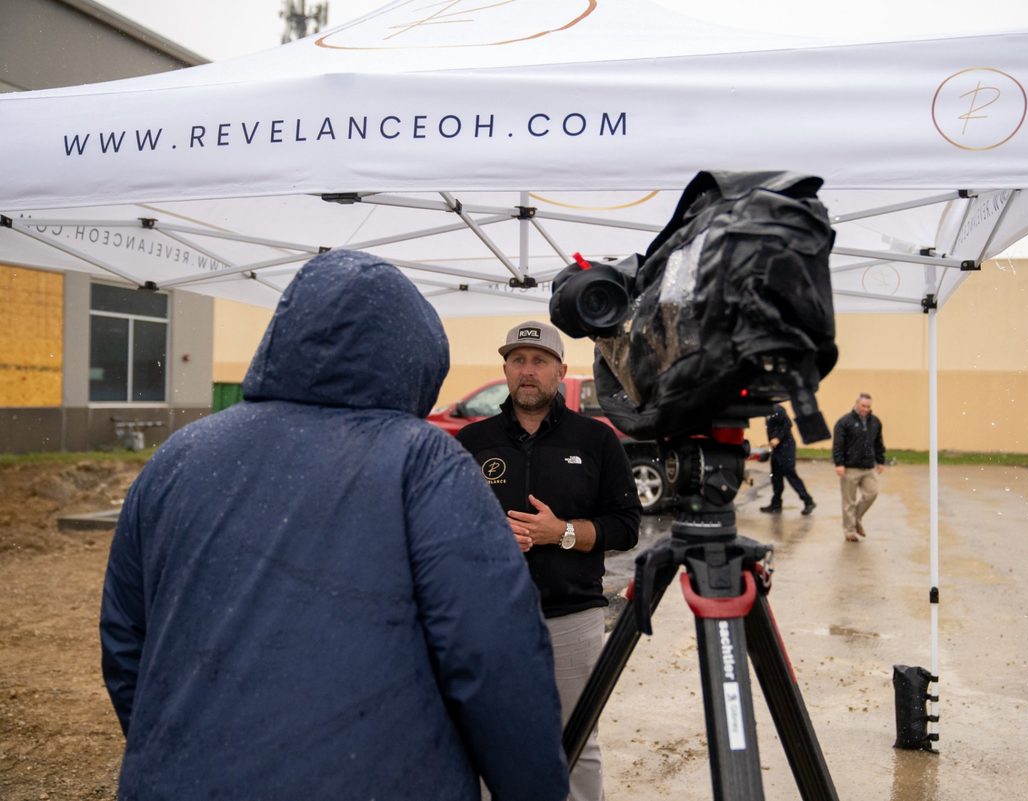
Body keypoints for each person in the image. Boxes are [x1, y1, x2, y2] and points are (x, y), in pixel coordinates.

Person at [99, 251, 568, 801]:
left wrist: (181, 748)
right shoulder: (422, 460)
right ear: (414, 361)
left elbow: (126, 641)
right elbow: (493, 653)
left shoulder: (178, 455)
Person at [457, 320, 641, 801]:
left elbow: (626, 526)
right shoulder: (471, 441)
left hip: (572, 616)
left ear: (561, 371)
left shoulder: (596, 440)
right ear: (505, 369)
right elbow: (442, 528)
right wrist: (489, 539)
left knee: (577, 741)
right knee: (486, 738)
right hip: (491, 617)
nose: (527, 370)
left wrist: (561, 533)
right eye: (518, 360)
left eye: (539, 361)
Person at [832, 392, 886, 542]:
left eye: (868, 406)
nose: (866, 409)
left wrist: (881, 461)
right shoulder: (844, 422)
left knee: (872, 493)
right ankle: (849, 531)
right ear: (856, 403)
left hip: (868, 467)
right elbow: (838, 445)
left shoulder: (875, 422)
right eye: (863, 405)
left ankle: (855, 519)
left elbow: (878, 443)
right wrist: (839, 463)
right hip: (849, 468)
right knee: (848, 501)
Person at [759, 403, 816, 515]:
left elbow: (787, 424)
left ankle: (808, 501)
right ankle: (776, 504)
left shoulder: (777, 409)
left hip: (786, 448)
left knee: (790, 475)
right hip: (777, 449)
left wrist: (778, 438)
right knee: (776, 477)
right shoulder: (767, 412)